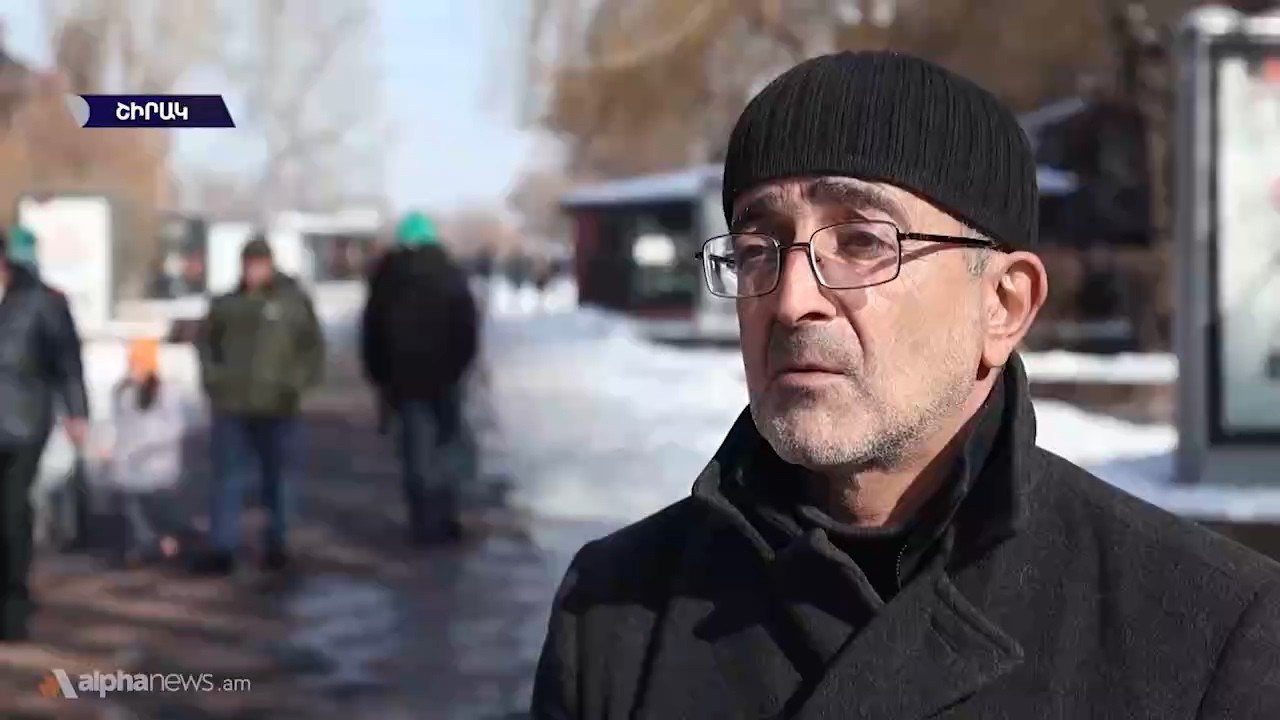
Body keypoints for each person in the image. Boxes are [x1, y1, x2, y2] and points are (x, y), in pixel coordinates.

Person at [532, 52, 1280, 718]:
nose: (791, 300)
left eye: (861, 241)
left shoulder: (1208, 632)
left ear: (1003, 305)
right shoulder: (616, 611)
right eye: (759, 248)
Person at [195, 236, 324, 574]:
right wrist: (214, 381)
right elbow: (206, 345)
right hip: (232, 404)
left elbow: (312, 348)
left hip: (279, 404)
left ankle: (278, 543)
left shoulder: (292, 303)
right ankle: (223, 546)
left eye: (259, 265)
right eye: (248, 265)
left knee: (279, 478)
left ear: (270, 265)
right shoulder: (227, 305)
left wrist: (296, 384)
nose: (253, 272)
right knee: (228, 478)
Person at [361, 211, 479, 545]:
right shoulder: (449, 273)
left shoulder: (387, 277)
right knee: (448, 448)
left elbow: (372, 332)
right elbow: (467, 327)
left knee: (416, 452)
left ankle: (422, 521)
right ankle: (447, 516)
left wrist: (379, 376)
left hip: (404, 382)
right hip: (446, 378)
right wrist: (459, 367)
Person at [0, 228, 88, 641]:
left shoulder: (42, 301)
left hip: (22, 423)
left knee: (11, 511)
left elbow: (67, 361)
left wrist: (77, 412)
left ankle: (12, 607)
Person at [98, 338, 186, 566]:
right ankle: (144, 546)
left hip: (158, 460)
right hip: (129, 462)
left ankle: (165, 543)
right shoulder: (123, 392)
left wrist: (145, 447)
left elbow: (174, 428)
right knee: (131, 505)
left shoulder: (167, 391)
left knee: (161, 508)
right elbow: (119, 426)